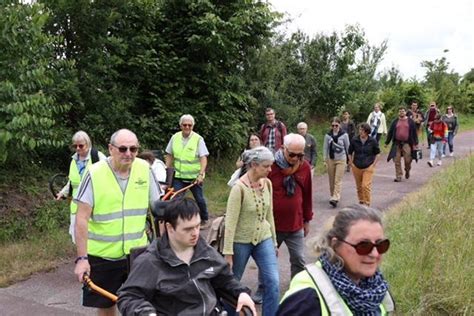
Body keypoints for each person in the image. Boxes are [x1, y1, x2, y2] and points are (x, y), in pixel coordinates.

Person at [117, 198, 257, 316]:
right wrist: (146, 313)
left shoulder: (205, 251)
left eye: (197, 226)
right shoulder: (151, 261)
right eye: (188, 229)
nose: (195, 233)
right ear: (170, 228)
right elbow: (128, 296)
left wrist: (241, 293)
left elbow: (225, 279)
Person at [74, 129, 161, 316]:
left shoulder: (144, 169)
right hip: (103, 256)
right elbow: (81, 218)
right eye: (122, 149)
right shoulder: (94, 173)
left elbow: (159, 210)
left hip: (138, 254)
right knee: (106, 306)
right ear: (111, 149)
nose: (128, 154)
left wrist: (166, 248)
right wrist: (82, 259)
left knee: (142, 305)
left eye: (133, 149)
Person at [277, 204, 394, 315]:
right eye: (363, 246)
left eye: (380, 245)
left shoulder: (377, 289)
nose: (374, 253)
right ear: (335, 244)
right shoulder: (306, 300)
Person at [224, 146, 280, 316]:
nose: (270, 170)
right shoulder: (238, 188)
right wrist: (228, 253)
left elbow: (269, 215)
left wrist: (274, 241)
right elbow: (230, 223)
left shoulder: (267, 184)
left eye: (271, 165)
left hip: (264, 238)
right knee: (232, 284)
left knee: (273, 281)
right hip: (241, 241)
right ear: (254, 165)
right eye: (266, 166)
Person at [270, 133, 313, 277]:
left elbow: (307, 195)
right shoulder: (270, 166)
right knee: (268, 261)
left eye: (300, 155)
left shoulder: (304, 167)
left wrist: (307, 220)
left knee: (299, 259)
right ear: (283, 148)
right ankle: (263, 290)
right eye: (292, 154)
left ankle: (298, 288)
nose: (295, 159)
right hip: (273, 225)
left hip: (296, 224)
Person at [56, 131, 106, 244]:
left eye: (81, 145)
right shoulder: (73, 161)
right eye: (75, 146)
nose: (78, 148)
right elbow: (72, 182)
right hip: (76, 206)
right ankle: (82, 259)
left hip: (95, 205)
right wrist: (62, 193)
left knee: (94, 236)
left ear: (88, 144)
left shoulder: (97, 157)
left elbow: (110, 175)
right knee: (77, 236)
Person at [165, 114, 210, 225]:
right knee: (175, 199)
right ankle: (176, 220)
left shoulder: (198, 139)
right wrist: (167, 169)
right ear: (180, 126)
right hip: (179, 177)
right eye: (184, 125)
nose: (187, 127)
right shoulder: (175, 137)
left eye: (189, 125)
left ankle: (204, 218)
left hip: (194, 178)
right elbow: (169, 154)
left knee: (199, 199)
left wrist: (201, 174)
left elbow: (203, 158)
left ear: (193, 126)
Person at [348, 123, 380, 206]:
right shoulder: (354, 140)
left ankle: (367, 203)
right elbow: (350, 152)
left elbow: (378, 153)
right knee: (359, 186)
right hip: (357, 166)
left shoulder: (372, 141)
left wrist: (374, 164)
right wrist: (351, 163)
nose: (360, 132)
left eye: (362, 130)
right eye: (360, 130)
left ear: (367, 132)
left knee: (365, 186)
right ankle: (361, 201)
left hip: (368, 166)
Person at [385, 107, 419, 182]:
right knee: (396, 160)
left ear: (405, 112)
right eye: (400, 111)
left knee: (408, 160)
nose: (401, 113)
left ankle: (407, 170)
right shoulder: (395, 121)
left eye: (403, 111)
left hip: (407, 143)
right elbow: (390, 132)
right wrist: (387, 142)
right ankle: (399, 176)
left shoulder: (410, 122)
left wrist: (416, 143)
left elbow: (414, 133)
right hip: (397, 143)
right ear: (398, 112)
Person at [322, 118, 350, 207]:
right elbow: (325, 148)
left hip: (341, 159)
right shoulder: (328, 135)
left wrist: (350, 160)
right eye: (333, 125)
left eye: (336, 125)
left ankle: (335, 197)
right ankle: (333, 195)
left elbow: (348, 147)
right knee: (331, 179)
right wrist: (324, 159)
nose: (334, 127)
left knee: (338, 179)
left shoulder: (344, 135)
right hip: (331, 159)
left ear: (339, 125)